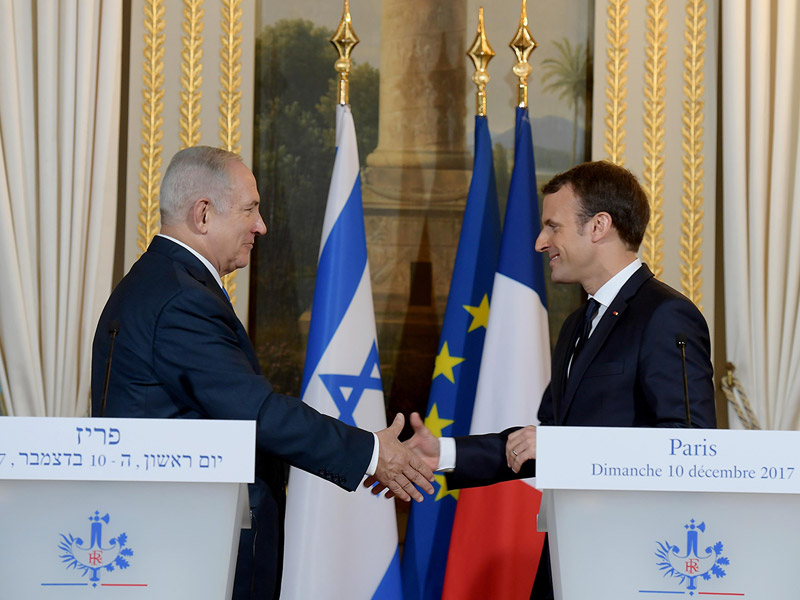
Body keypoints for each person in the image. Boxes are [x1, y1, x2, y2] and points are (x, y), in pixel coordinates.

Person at [91, 146, 434, 600]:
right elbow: (256, 413)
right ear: (203, 214)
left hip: (176, 538)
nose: (261, 226)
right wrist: (372, 454)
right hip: (193, 551)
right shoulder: (180, 300)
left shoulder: (158, 282)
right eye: (250, 209)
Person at [378, 161, 717, 599]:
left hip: (632, 565)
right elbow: (537, 443)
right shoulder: (577, 324)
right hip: (568, 557)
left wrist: (565, 447)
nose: (540, 242)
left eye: (552, 227)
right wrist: (443, 453)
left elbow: (689, 448)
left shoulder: (666, 315)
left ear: (598, 226)